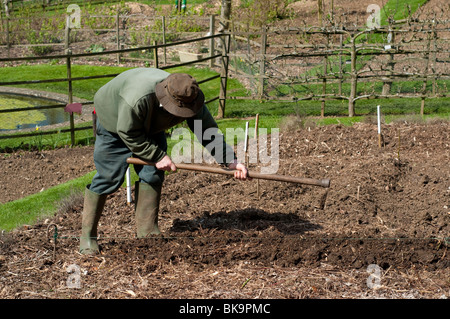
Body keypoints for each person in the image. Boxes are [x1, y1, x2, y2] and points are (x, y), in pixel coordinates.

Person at [80, 68, 249, 255]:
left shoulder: (189, 96)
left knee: (152, 174)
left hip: (148, 126)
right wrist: (158, 156)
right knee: (108, 177)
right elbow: (127, 132)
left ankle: (147, 233)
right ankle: (88, 237)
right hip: (114, 123)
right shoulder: (137, 99)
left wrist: (230, 160)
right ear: (166, 100)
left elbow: (207, 130)